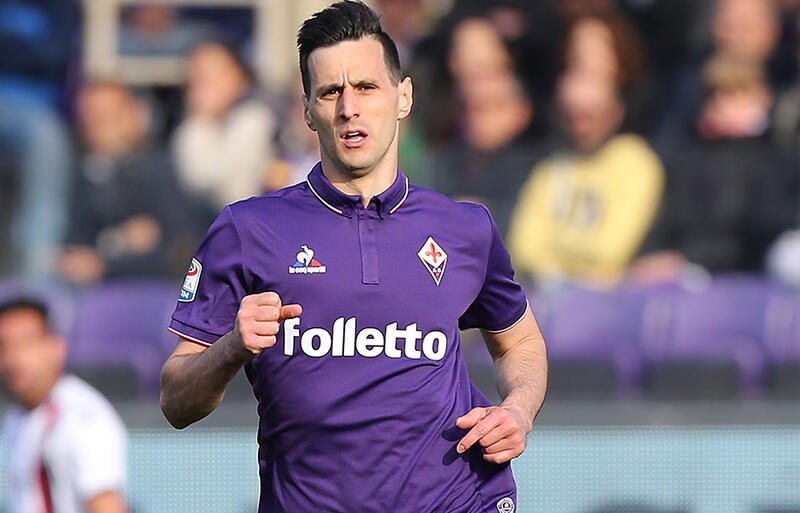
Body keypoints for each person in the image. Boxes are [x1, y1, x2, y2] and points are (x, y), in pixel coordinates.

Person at [160, 2, 548, 512]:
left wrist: (518, 410)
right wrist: (231, 348)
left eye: (366, 87)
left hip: (459, 499)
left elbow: (520, 342)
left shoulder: (465, 228)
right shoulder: (247, 229)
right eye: (330, 92)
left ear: (403, 97)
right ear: (307, 110)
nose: (349, 108)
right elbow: (176, 401)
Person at [507, 70, 664, 289]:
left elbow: (611, 253)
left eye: (591, 114)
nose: (580, 124)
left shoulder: (635, 162)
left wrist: (551, 248)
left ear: (616, 112)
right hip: (545, 293)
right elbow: (521, 249)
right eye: (570, 114)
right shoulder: (549, 168)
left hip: (608, 298)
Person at [59, 80, 195, 285]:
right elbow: (74, 250)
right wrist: (119, 242)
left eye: (111, 114)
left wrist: (106, 264)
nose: (101, 123)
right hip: (96, 291)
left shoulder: (159, 168)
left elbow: (179, 248)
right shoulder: (80, 174)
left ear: (137, 114)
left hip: (159, 290)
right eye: (92, 115)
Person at [0, 298, 128, 513]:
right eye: (4, 346)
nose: (13, 358)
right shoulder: (16, 417)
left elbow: (108, 506)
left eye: (26, 342)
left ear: (56, 347)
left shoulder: (83, 416)